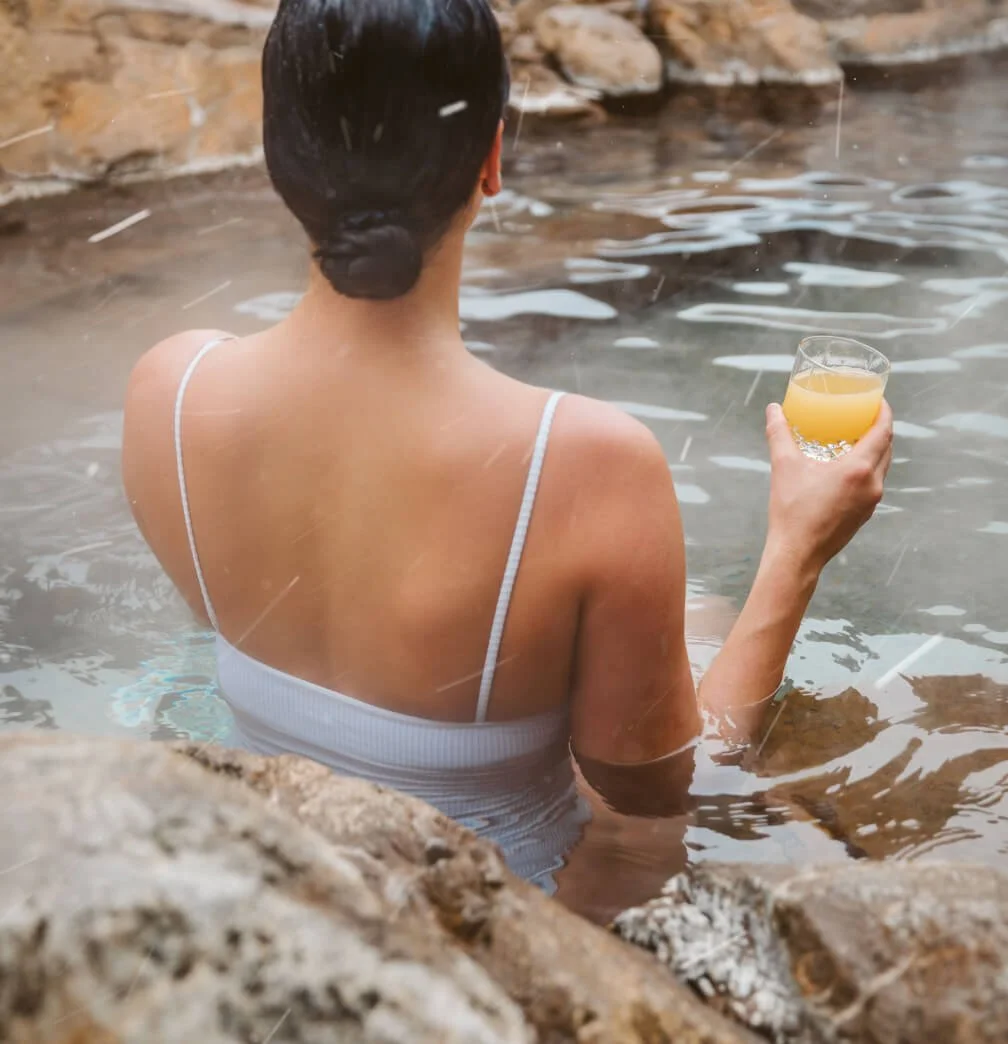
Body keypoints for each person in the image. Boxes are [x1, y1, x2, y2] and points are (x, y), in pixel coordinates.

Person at [122, 0, 893, 892]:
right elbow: (668, 794)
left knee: (696, 616)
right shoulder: (588, 466)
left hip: (266, 875)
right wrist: (798, 550)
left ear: (276, 156)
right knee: (710, 633)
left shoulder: (169, 395)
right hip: (488, 938)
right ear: (491, 159)